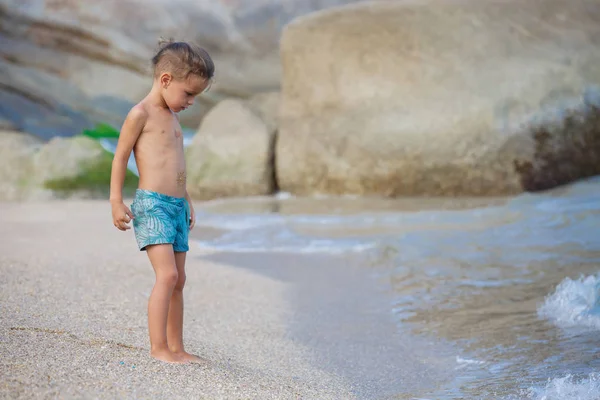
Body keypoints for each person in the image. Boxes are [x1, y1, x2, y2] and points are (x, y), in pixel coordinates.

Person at [109, 40, 214, 364]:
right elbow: (121, 156)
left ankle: (177, 347)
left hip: (176, 206)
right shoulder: (140, 114)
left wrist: (187, 199)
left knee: (179, 280)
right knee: (166, 276)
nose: (192, 102)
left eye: (196, 96)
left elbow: (175, 164)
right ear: (166, 79)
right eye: (188, 94)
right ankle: (158, 348)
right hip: (152, 205)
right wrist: (116, 200)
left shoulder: (172, 115)